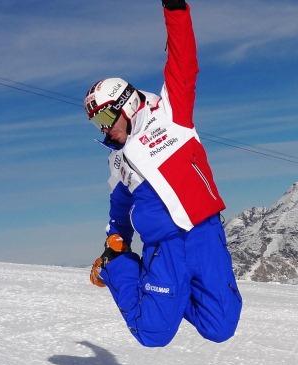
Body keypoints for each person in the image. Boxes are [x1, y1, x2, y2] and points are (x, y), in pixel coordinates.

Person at [83, 0, 242, 347]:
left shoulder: (170, 114)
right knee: (152, 333)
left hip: (205, 236)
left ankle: (170, 295)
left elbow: (184, 61)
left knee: (220, 327)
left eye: (105, 118)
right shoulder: (118, 161)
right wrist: (114, 247)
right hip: (163, 248)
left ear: (125, 104)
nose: (104, 129)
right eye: (97, 124)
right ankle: (119, 268)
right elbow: (119, 210)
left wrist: (175, 9)